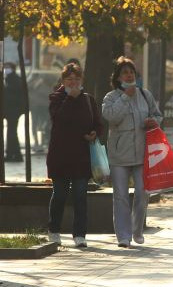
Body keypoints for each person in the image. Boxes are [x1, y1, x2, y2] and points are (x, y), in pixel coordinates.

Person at [102, 57, 162, 248]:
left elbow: (157, 114)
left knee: (142, 192)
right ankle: (123, 236)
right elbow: (111, 117)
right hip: (120, 154)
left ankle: (137, 230)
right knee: (120, 195)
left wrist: (154, 121)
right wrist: (125, 96)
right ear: (118, 77)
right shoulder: (111, 97)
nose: (129, 75)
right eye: (125, 73)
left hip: (142, 152)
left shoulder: (145, 94)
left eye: (131, 72)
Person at [46, 63, 104, 247]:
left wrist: (95, 132)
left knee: (80, 196)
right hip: (60, 156)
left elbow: (98, 123)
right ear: (63, 81)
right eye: (69, 79)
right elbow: (59, 119)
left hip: (81, 157)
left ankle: (80, 235)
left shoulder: (88, 99)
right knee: (60, 195)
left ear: (82, 80)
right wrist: (70, 99)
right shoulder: (56, 98)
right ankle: (54, 230)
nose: (73, 82)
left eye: (76, 79)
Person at [3, 62, 25, 162]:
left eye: (8, 67)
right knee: (11, 133)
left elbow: (15, 96)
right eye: (5, 67)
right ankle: (14, 154)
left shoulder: (14, 79)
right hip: (11, 110)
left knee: (11, 133)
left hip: (13, 111)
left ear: (13, 68)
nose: (6, 69)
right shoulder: (9, 79)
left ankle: (13, 154)